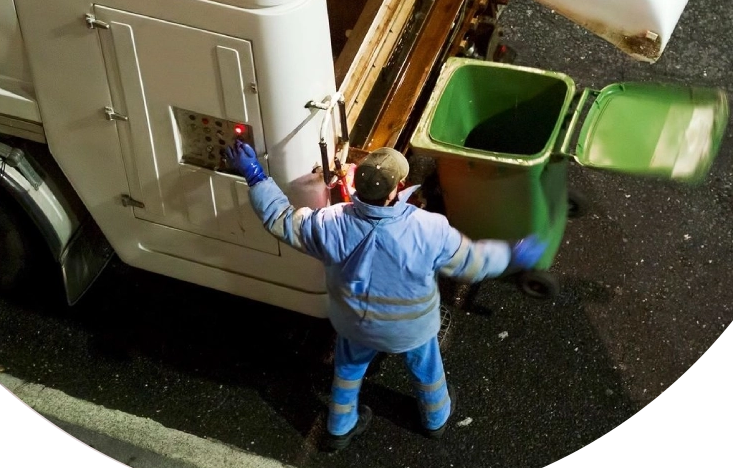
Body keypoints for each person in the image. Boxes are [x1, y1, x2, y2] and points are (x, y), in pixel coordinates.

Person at [224, 141, 548, 452]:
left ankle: (339, 428)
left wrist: (256, 175)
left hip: (356, 325)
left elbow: (280, 220)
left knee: (348, 372)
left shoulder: (331, 223)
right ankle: (436, 419)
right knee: (427, 370)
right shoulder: (427, 228)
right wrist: (513, 255)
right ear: (397, 187)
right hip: (413, 327)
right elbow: (473, 262)